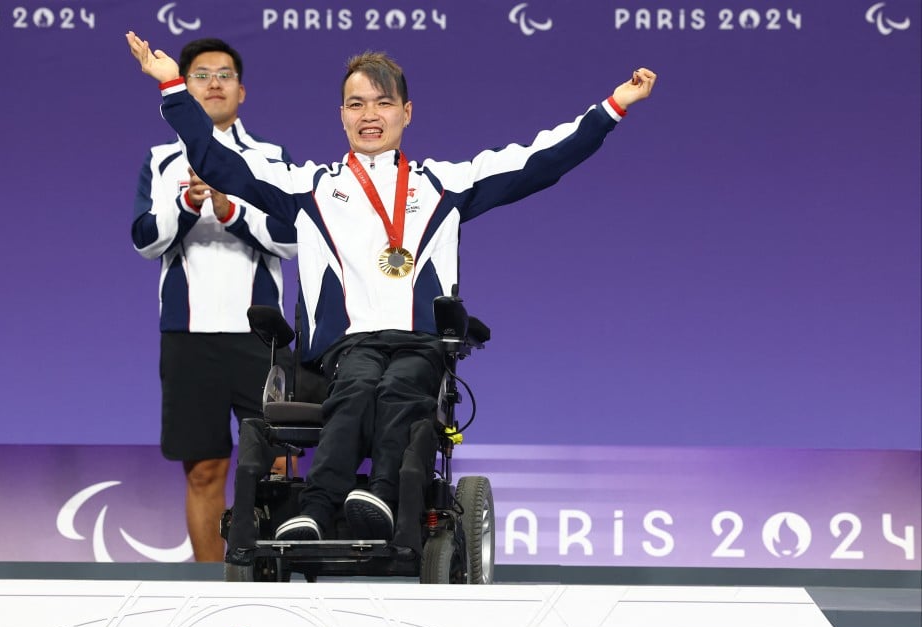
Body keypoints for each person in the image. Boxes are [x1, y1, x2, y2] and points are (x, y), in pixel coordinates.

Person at [126, 31, 656, 549]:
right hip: (347, 346)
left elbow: (539, 161)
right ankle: (315, 510)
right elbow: (221, 163)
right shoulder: (312, 188)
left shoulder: (444, 184)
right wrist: (172, 84)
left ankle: (379, 497)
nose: (370, 115)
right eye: (356, 104)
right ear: (341, 116)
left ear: (407, 112)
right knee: (356, 389)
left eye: (383, 103)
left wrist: (613, 107)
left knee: (401, 388)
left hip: (420, 342)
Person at [131, 37, 297, 562]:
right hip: (189, 339)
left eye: (225, 75)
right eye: (201, 75)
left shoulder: (271, 159)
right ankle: (204, 591)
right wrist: (186, 202)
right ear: (184, 86)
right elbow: (143, 239)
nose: (214, 83)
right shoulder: (161, 160)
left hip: (261, 340)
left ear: (241, 92)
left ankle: (280, 574)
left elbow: (294, 239)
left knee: (279, 466)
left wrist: (230, 210)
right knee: (206, 469)